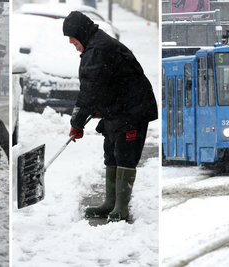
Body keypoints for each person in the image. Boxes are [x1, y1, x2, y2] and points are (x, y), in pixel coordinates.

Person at [63, 11, 158, 222]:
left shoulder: (98, 50)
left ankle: (121, 207)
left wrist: (76, 123)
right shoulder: (95, 45)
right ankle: (110, 203)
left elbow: (89, 92)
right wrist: (99, 107)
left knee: (125, 153)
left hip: (132, 110)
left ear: (80, 33)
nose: (71, 43)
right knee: (111, 152)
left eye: (72, 38)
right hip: (118, 108)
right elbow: (103, 85)